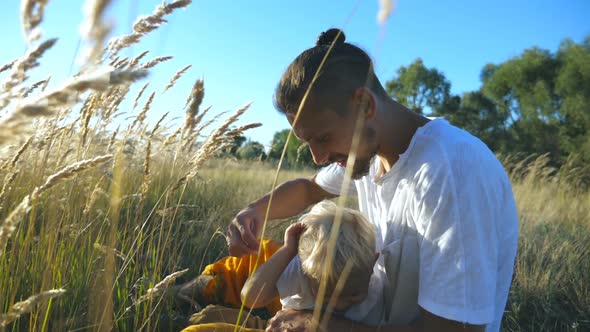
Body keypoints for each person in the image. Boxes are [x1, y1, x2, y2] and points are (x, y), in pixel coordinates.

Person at [226, 28, 519, 332]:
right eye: (308, 143)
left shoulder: (451, 173)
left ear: (364, 105)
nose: (318, 157)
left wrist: (319, 324)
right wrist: (254, 212)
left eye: (323, 138)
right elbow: (309, 189)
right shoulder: (369, 156)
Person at [241, 200, 388, 325]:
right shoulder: (303, 271)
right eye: (325, 297)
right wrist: (287, 250)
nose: (339, 305)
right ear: (304, 271)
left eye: (353, 296)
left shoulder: (376, 292)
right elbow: (250, 297)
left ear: (372, 265)